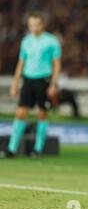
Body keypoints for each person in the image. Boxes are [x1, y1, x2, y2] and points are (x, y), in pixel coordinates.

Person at [1, 12, 61, 159]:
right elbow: (21, 63)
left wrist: (54, 84)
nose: (34, 27)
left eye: (36, 24)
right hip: (28, 79)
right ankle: (12, 149)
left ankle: (37, 149)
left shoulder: (52, 41)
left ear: (42, 24)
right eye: (31, 25)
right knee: (20, 113)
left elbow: (57, 64)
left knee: (42, 113)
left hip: (44, 80)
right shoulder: (26, 41)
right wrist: (15, 83)